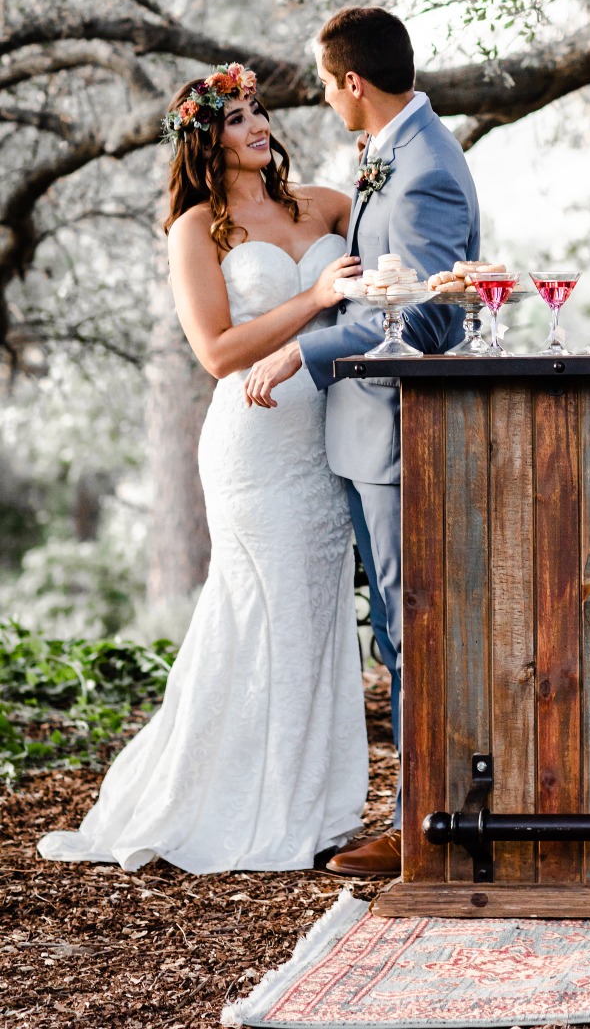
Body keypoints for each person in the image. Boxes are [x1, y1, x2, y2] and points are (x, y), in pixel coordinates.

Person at [38, 64, 369, 873]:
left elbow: (388, 271)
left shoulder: (325, 204)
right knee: (266, 616)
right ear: (202, 138)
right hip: (254, 445)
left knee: (316, 619)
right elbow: (218, 353)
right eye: (235, 119)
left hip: (327, 441)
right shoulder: (196, 230)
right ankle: (251, 809)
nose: (257, 125)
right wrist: (315, 299)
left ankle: (319, 805)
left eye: (257, 111)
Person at [243, 7, 480, 877]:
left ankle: (423, 827)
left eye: (323, 81)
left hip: (391, 432)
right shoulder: (391, 151)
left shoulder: (424, 169)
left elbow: (420, 319)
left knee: (410, 626)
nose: (319, 98)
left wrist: (301, 346)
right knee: (392, 624)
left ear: (352, 82)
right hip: (359, 434)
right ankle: (417, 809)